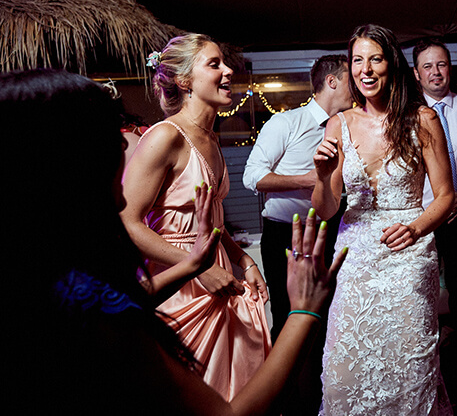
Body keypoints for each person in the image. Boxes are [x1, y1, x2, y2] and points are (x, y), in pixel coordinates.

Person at [4, 68, 345, 415]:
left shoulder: (53, 271)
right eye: (107, 132)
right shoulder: (94, 313)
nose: (125, 143)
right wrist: (303, 311)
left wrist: (198, 263)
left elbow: (128, 301)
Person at [312, 24, 454, 415]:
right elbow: (326, 209)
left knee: (410, 365)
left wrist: (416, 228)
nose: (366, 69)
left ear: (391, 64)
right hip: (355, 259)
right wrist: (322, 176)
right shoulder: (339, 124)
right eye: (358, 60)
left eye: (375, 59)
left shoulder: (422, 119)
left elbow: (445, 195)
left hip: (409, 254)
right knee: (345, 367)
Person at [120, 34, 271, 401]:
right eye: (214, 64)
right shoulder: (165, 137)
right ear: (185, 80)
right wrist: (198, 267)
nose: (228, 71)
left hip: (216, 272)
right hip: (176, 284)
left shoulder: (211, 139)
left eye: (225, 63)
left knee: (231, 391)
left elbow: (211, 220)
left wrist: (243, 259)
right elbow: (127, 222)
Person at [243, 54, 352, 340]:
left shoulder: (350, 128)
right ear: (332, 81)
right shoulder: (286, 122)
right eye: (351, 78)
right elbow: (252, 176)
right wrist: (309, 179)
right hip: (285, 236)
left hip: (332, 232)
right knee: (287, 317)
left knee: (330, 319)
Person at [412, 39, 457, 330]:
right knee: (420, 290)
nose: (436, 72)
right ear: (417, 74)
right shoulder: (407, 115)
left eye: (441, 64)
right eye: (427, 66)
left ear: (450, 68)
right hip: (422, 218)